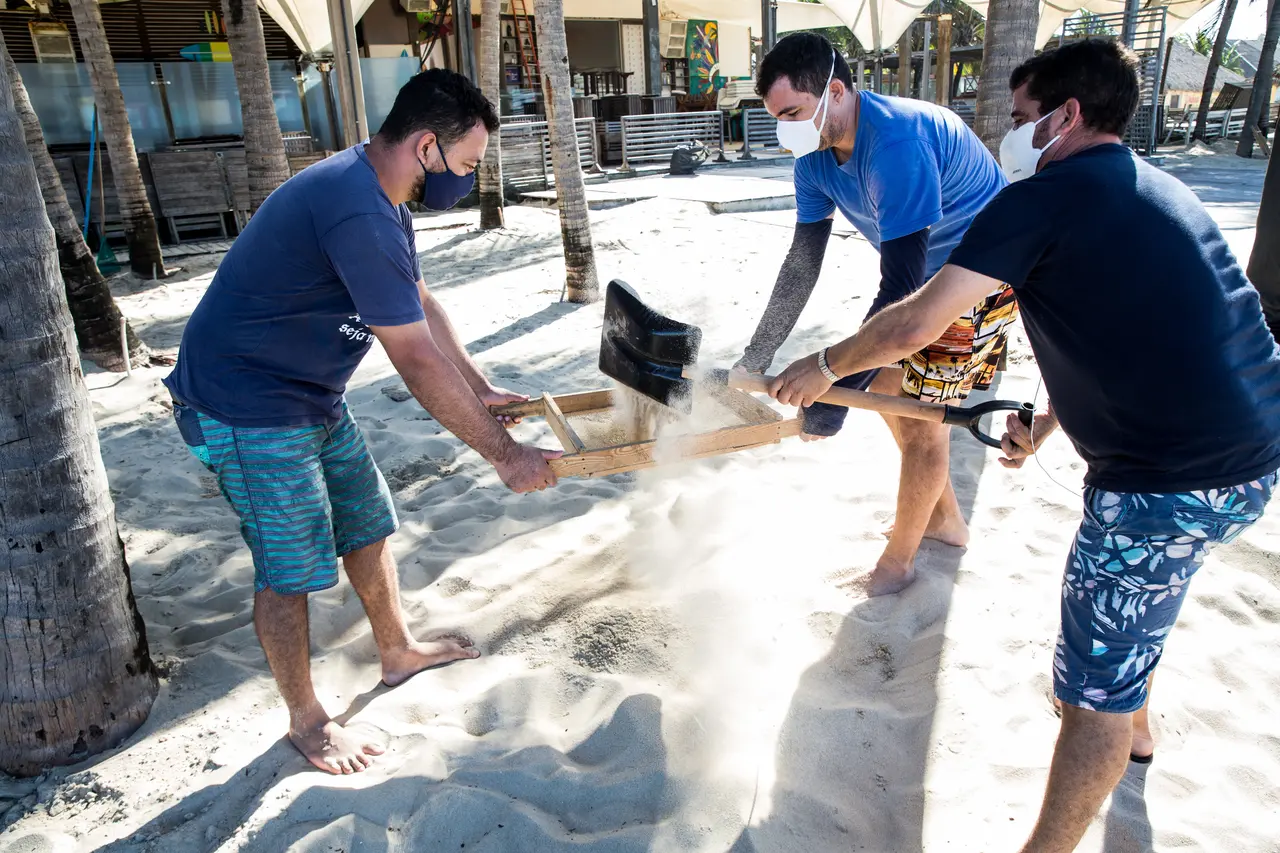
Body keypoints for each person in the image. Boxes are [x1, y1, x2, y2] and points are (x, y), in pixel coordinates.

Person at [767, 39, 1280, 852]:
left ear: (1066, 116)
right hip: (1254, 457)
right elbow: (1137, 334)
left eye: (1018, 118)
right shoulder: (1158, 188)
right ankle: (1138, 735)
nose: (1006, 136)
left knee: (1088, 696)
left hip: (1164, 484)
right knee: (1133, 622)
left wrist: (825, 368)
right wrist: (1045, 423)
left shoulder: (1035, 198)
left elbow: (913, 320)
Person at [162, 69, 561, 775]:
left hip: (311, 395)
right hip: (245, 406)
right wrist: (504, 454)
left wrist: (481, 384)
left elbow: (416, 296)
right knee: (290, 571)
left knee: (367, 524)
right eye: (467, 165)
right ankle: (308, 721)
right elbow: (410, 356)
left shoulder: (381, 186)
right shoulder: (357, 208)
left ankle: (397, 650)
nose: (468, 179)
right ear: (428, 145)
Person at [736, 33, 1016, 596]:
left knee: (918, 417)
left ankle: (899, 563)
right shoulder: (812, 155)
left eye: (792, 112)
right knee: (889, 391)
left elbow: (902, 289)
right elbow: (803, 259)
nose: (785, 127)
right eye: (776, 117)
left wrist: (832, 384)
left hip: (984, 273)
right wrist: (757, 353)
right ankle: (944, 522)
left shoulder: (896, 142)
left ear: (835, 91)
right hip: (927, 276)